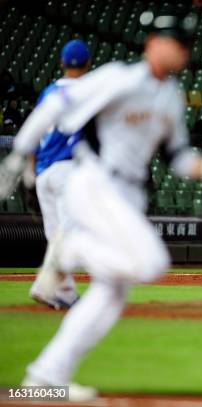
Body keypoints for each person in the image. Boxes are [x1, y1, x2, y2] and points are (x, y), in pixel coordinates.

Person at [0, 9, 202, 401]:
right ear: (152, 42)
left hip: (128, 194)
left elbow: (177, 156)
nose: (182, 49)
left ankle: (44, 379)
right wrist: (19, 154)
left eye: (186, 43)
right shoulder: (120, 78)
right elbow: (57, 100)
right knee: (152, 263)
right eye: (175, 40)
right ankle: (70, 250)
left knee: (110, 296)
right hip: (97, 181)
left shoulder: (170, 95)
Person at [28, 39, 92, 310]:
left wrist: (31, 169)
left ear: (62, 63)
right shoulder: (89, 91)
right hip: (68, 169)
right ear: (89, 64)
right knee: (69, 233)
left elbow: (33, 131)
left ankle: (63, 292)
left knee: (56, 236)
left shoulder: (48, 93)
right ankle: (44, 284)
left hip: (43, 172)